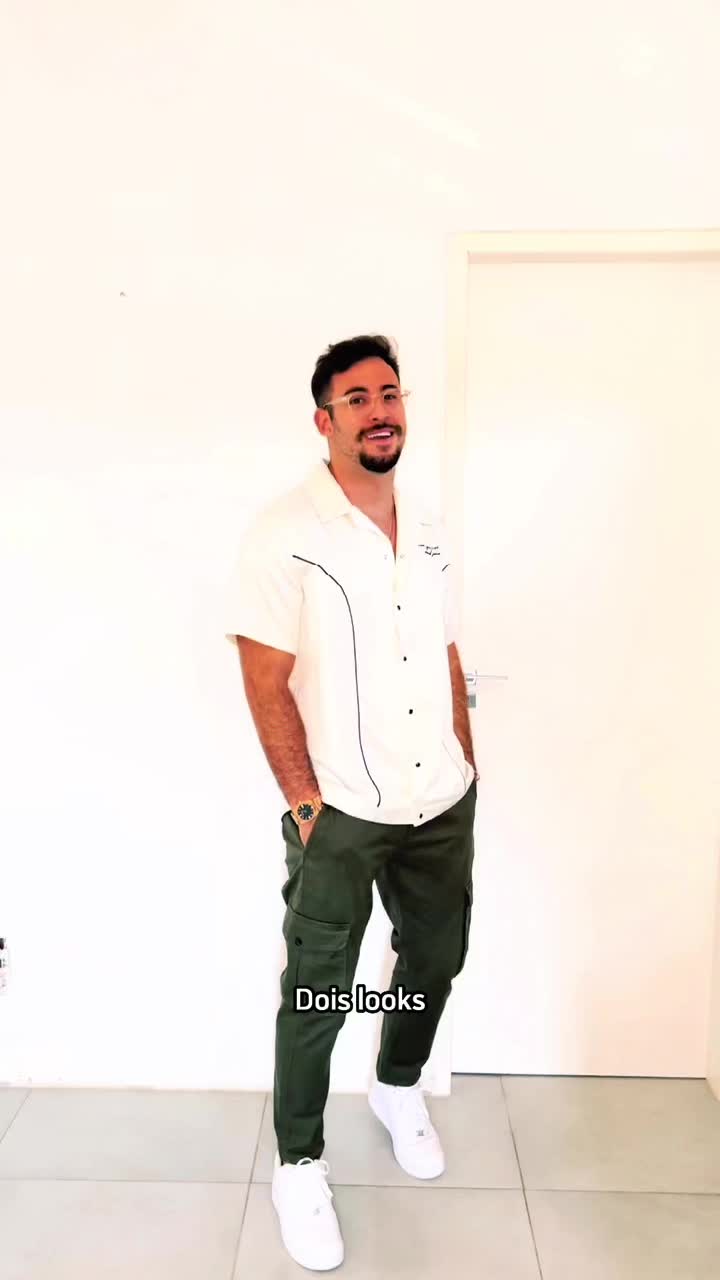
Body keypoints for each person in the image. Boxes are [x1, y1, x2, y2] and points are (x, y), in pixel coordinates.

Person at [224, 334, 478, 1271]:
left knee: (436, 956)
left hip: (439, 801)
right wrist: (304, 803)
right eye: (358, 398)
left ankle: (397, 1085)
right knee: (318, 989)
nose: (380, 411)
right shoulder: (285, 531)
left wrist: (467, 761)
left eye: (390, 393)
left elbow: (445, 650)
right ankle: (299, 1163)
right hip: (340, 812)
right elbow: (265, 678)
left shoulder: (429, 527)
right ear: (324, 420)